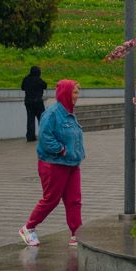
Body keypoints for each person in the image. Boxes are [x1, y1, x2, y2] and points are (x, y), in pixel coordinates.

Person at [19, 79, 85, 247]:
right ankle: (28, 227)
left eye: (77, 92)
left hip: (72, 164)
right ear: (65, 93)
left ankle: (77, 233)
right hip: (54, 164)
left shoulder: (70, 112)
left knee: (74, 200)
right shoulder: (52, 113)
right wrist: (61, 150)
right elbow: (45, 137)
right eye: (74, 92)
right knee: (51, 199)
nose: (77, 96)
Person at [20, 65, 48, 141]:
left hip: (28, 102)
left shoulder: (26, 79)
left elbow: (22, 88)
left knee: (30, 119)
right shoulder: (39, 80)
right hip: (38, 102)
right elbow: (45, 85)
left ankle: (30, 136)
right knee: (42, 119)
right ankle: (44, 135)